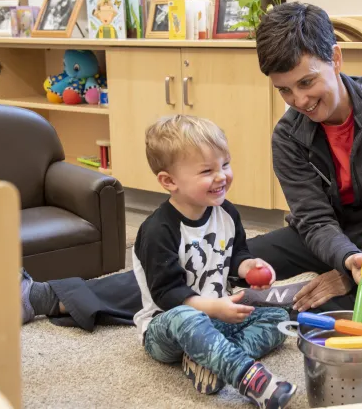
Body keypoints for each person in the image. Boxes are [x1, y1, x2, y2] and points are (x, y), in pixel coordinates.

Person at [21, 1, 362, 348]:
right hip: (317, 237)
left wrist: (355, 271)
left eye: (307, 82)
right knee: (195, 259)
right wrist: (342, 260)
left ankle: (273, 304)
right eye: (284, 89)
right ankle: (54, 296)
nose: (298, 99)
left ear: (335, 58)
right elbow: (315, 219)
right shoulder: (288, 134)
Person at [59, 114, 298, 407]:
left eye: (225, 164)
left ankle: (211, 360)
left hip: (216, 315)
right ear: (169, 181)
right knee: (187, 318)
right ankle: (248, 376)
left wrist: (250, 267)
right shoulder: (158, 230)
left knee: (278, 318)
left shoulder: (226, 213)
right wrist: (212, 307)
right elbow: (167, 294)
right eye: (207, 170)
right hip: (167, 325)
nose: (222, 176)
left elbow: (237, 256)